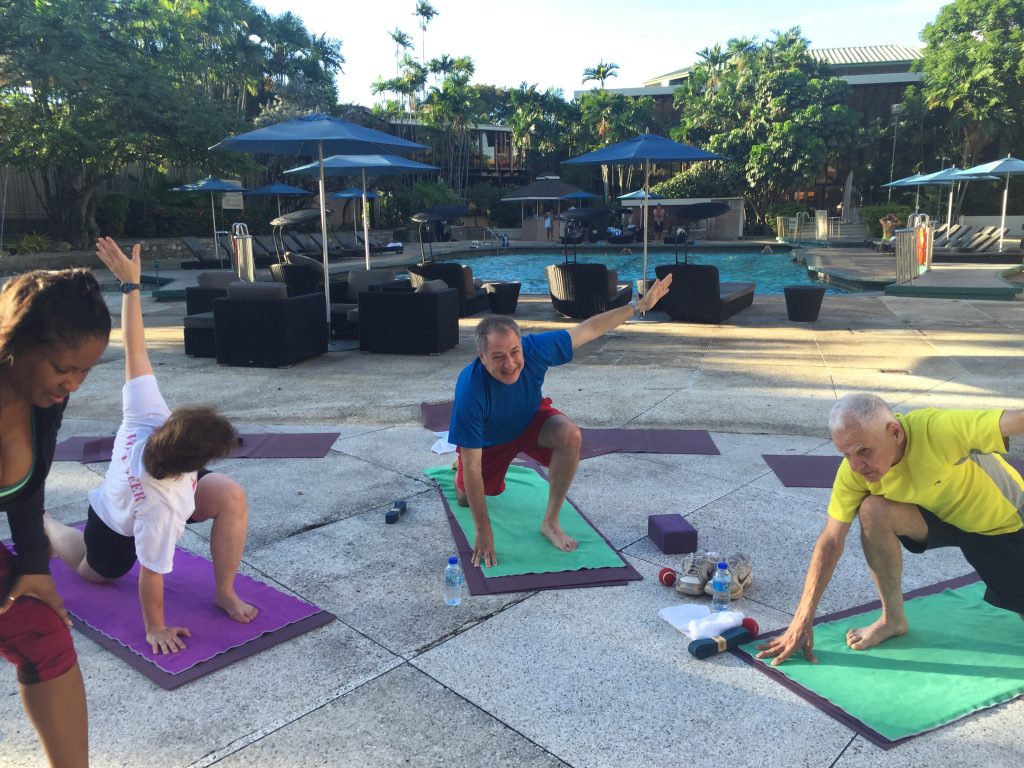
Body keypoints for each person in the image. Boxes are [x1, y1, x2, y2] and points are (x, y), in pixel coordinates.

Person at [46, 238, 258, 657]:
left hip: (150, 489)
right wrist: (155, 628)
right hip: (113, 518)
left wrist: (131, 287)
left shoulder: (148, 415)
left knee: (232, 496)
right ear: (190, 466)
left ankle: (224, 591)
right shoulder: (163, 508)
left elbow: (135, 347)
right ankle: (46, 522)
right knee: (97, 572)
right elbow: (151, 575)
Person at [756, 393, 1024, 667]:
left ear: (894, 432)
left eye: (863, 451)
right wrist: (801, 620)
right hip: (940, 517)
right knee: (873, 510)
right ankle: (892, 619)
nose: (856, 465)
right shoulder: (854, 472)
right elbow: (830, 540)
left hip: (1004, 522)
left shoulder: (938, 429)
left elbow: (1017, 420)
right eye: (846, 454)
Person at [448, 273, 673, 567]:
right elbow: (476, 469)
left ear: (521, 344)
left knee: (570, 434)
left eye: (514, 352)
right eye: (498, 356)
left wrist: (638, 306)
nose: (510, 363)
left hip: (528, 419)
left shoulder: (535, 349)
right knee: (466, 496)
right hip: (490, 440)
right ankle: (460, 458)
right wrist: (483, 530)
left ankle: (550, 522)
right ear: (482, 356)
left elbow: (588, 329)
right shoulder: (470, 388)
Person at [0, 268, 111, 768]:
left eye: (85, 371)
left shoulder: (42, 398)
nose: (73, 385)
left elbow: (29, 492)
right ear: (14, 344)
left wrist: (32, 565)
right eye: (64, 368)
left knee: (45, 632)